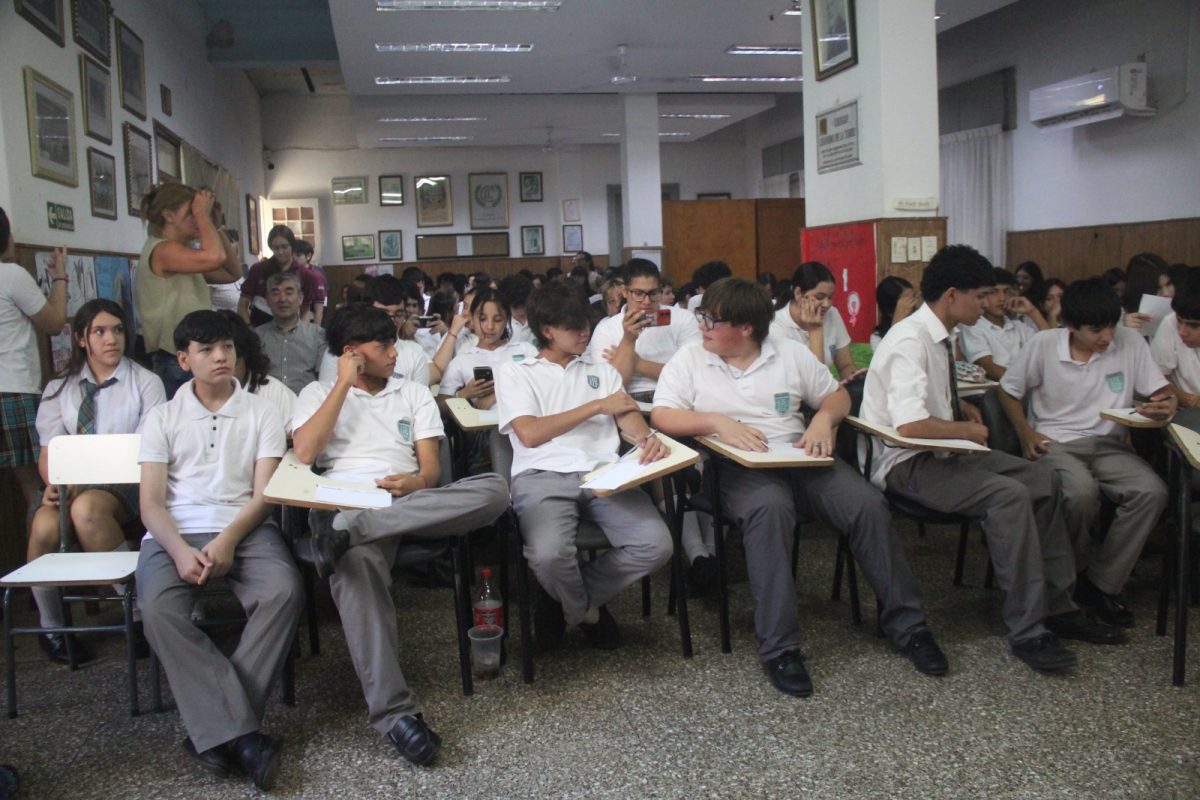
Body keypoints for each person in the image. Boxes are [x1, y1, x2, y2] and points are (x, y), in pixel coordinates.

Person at [652, 277, 945, 696]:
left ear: (745, 328)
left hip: (798, 456)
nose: (702, 327)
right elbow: (663, 416)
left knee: (866, 505)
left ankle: (910, 626)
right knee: (770, 510)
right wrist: (717, 421)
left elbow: (836, 397)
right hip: (736, 466)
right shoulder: (691, 358)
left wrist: (823, 420)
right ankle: (781, 648)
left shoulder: (788, 354)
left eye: (711, 321)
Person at [860, 245, 1121, 672]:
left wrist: (957, 414)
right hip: (907, 464)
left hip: (943, 452)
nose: (986, 304)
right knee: (1008, 496)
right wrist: (963, 429)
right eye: (979, 296)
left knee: (1044, 480)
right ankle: (1029, 630)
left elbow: (926, 407)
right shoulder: (908, 340)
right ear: (950, 295)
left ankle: (1057, 604)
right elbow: (908, 426)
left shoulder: (940, 334)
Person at [288, 303, 508, 766]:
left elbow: (430, 471)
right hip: (341, 497)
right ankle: (395, 715)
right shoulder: (315, 392)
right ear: (351, 353)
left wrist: (414, 484)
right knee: (354, 566)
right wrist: (343, 385)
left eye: (393, 343)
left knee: (494, 491)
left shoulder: (412, 393)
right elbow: (306, 451)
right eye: (383, 345)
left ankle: (353, 529)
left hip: (404, 502)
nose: (395, 353)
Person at [136, 310, 300, 790]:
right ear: (184, 360)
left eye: (227, 347)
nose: (220, 357)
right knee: (157, 609)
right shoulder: (162, 416)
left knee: (284, 591)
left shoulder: (261, 411)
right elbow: (149, 504)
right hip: (173, 532)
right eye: (206, 350)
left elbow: (264, 495)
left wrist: (228, 537)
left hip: (244, 528)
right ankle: (244, 736)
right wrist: (180, 550)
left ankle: (218, 731)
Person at [496, 282, 673, 652]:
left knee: (656, 544)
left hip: (604, 474)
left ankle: (562, 600)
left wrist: (645, 438)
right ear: (547, 331)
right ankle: (589, 612)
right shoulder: (516, 371)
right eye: (572, 327)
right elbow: (529, 434)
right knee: (548, 553)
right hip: (541, 476)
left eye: (586, 325)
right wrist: (594, 407)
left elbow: (627, 418)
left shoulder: (601, 371)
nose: (584, 333)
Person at [999, 277, 1172, 628]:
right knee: (1079, 493)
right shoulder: (1044, 344)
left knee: (1152, 492)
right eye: (1096, 330)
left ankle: (1101, 583)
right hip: (1055, 442)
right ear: (1070, 326)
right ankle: (1066, 580)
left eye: (1110, 326)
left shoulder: (1129, 341)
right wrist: (1026, 433)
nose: (1106, 337)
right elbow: (1008, 391)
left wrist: (1164, 402)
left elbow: (1161, 389)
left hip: (1108, 444)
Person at [29, 300, 164, 664]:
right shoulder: (60, 387)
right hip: (73, 484)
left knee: (87, 510)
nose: (111, 339)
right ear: (81, 339)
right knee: (43, 525)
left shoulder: (146, 382)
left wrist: (85, 480)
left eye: (118, 330)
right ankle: (52, 627)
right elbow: (49, 451)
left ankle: (137, 613)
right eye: (100, 332)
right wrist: (53, 483)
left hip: (127, 482)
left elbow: (146, 450)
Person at [136, 184, 242, 398]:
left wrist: (216, 225)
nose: (197, 220)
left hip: (192, 352)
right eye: (191, 214)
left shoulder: (184, 254)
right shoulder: (162, 250)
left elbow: (232, 272)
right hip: (174, 358)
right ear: (169, 215)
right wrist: (203, 214)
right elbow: (216, 257)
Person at [0, 207, 69, 514]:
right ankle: (35, 559)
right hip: (14, 389)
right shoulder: (11, 275)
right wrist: (60, 278)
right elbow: (54, 322)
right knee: (35, 491)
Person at [318, 275, 431, 386]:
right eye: (383, 313)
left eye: (399, 314)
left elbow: (420, 398)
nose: (392, 321)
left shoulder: (414, 353)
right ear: (366, 310)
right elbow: (327, 394)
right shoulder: (343, 350)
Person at [438, 288, 536, 412]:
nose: (490, 327)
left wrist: (497, 395)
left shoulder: (525, 350)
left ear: (507, 320)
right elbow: (440, 405)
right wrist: (463, 394)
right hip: (486, 427)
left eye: (497, 320)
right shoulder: (462, 360)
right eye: (483, 319)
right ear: (472, 318)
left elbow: (544, 382)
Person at [770, 262, 858, 379]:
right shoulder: (776, 325)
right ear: (798, 294)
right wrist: (815, 329)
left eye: (830, 297)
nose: (826, 304)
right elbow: (815, 382)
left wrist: (854, 378)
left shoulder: (832, 314)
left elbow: (845, 366)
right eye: (819, 297)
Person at [221, 311, 298, 435]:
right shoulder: (186, 394)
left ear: (246, 357)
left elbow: (299, 441)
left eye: (233, 363)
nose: (223, 370)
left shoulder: (274, 393)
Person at [960, 268, 1042, 381]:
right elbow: (989, 368)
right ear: (982, 295)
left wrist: (1032, 311)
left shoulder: (1018, 327)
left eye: (1007, 291)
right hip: (988, 392)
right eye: (994, 292)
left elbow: (1052, 345)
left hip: (1021, 388)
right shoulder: (973, 326)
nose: (1002, 298)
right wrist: (1025, 382)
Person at [253, 271, 325, 394]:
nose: (282, 299)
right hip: (268, 406)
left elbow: (324, 380)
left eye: (289, 292)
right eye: (275, 293)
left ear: (300, 298)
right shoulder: (256, 337)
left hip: (306, 407)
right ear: (268, 300)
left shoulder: (318, 335)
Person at [238, 225, 321, 327]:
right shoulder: (258, 269)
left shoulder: (305, 274)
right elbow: (243, 304)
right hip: (259, 326)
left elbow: (305, 309)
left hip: (291, 329)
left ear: (292, 246)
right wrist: (249, 329)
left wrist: (301, 334)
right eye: (276, 248)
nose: (280, 252)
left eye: (284, 247)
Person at [1152, 269, 1200, 407]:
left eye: (1194, 325)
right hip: (1185, 415)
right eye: (1179, 321)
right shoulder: (1169, 323)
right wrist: (1188, 400)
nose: (1182, 331)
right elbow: (1156, 381)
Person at [1122, 252, 1173, 333]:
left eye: (1169, 284)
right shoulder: (1122, 319)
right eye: (1157, 288)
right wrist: (1125, 331)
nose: (1166, 293)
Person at [871, 276, 919, 351]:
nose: (913, 305)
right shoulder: (877, 337)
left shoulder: (921, 324)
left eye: (913, 298)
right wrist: (896, 324)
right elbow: (886, 359)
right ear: (890, 312)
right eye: (906, 302)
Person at [293, 240, 328, 325]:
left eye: (298, 255)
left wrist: (314, 333)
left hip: (309, 322)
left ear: (308, 256)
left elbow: (319, 311)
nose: (294, 258)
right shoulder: (289, 273)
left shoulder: (315, 276)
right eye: (292, 255)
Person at [498, 273, 537, 346]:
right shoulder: (500, 325)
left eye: (524, 306)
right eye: (515, 308)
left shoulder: (540, 320)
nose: (521, 313)